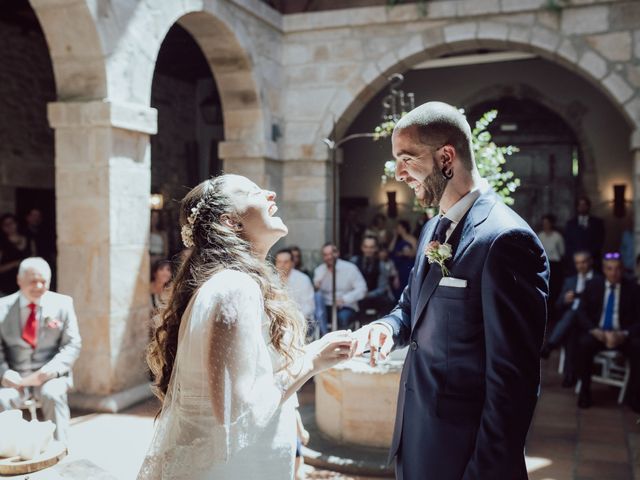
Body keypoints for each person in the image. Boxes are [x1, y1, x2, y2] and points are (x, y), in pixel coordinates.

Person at [354, 101, 549, 480]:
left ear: (446, 157)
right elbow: (411, 307)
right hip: (418, 438)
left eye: (407, 159)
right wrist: (387, 328)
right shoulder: (433, 229)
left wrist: (484, 471)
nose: (399, 173)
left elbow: (514, 382)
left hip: (464, 457)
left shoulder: (505, 240)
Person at [138, 174, 356, 480]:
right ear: (231, 222)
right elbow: (237, 411)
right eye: (253, 192)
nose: (270, 194)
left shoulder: (232, 283)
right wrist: (313, 359)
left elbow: (255, 378)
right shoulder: (233, 288)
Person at [0, 257, 82, 445]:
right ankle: (11, 453)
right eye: (32, 281)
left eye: (43, 281)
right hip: (15, 378)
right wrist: (5, 373)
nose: (38, 286)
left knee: (53, 393)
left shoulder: (63, 304)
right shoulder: (2, 308)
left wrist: (51, 370)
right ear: (19, 280)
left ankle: (60, 451)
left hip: (50, 376)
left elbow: (73, 344)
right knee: (3, 399)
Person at [575, 253, 640, 411]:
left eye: (618, 269)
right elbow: (580, 313)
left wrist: (623, 335)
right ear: (604, 270)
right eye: (610, 269)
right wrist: (594, 330)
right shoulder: (593, 285)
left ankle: (635, 396)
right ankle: (585, 392)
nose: (614, 273)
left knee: (638, 347)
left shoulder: (633, 289)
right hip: (599, 334)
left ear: (623, 270)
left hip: (621, 335)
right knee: (583, 344)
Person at [540, 251, 600, 387]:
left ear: (590, 262)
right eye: (577, 263)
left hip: (589, 321)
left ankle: (551, 345)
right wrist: (565, 300)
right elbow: (558, 305)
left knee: (574, 313)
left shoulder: (598, 280)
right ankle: (570, 375)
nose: (581, 266)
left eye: (583, 262)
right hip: (571, 324)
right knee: (571, 332)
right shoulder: (570, 280)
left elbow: (599, 307)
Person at [313, 243, 367, 331]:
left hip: (345, 305)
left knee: (343, 317)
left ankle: (342, 342)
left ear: (337, 253)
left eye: (331, 253)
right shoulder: (319, 270)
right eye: (326, 255)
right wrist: (318, 284)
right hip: (327, 307)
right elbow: (316, 293)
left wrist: (344, 299)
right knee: (317, 303)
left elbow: (362, 289)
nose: (329, 257)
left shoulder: (350, 268)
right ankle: (325, 336)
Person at [350, 235, 394, 317]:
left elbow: (382, 287)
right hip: (357, 296)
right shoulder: (354, 262)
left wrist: (368, 295)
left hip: (374, 296)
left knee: (386, 302)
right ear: (362, 248)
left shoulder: (381, 265)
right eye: (366, 247)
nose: (368, 250)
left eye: (371, 247)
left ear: (376, 248)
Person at [275, 248, 315, 332]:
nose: (282, 265)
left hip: (301, 322)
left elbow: (309, 306)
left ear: (292, 263)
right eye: (279, 262)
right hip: (277, 323)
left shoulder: (303, 279)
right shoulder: (271, 279)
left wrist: (294, 319)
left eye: (285, 262)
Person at [565, 196, 604, 272]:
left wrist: (588, 256)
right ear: (577, 207)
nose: (582, 207)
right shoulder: (570, 224)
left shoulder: (597, 223)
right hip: (575, 262)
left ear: (588, 206)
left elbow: (600, 241)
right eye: (580, 205)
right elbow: (568, 243)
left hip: (593, 261)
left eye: (584, 205)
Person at [0, 214, 37, 296]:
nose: (9, 226)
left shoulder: (29, 239)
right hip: (7, 287)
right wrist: (15, 263)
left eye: (11, 223)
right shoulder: (2, 244)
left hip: (27, 286)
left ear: (16, 223)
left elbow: (35, 260)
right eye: (5, 224)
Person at [537, 213, 565, 309]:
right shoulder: (540, 235)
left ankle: (554, 311)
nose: (545, 225)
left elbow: (562, 252)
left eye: (547, 223)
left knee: (554, 288)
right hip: (543, 265)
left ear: (551, 224)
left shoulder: (557, 236)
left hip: (555, 265)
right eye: (544, 223)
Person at [388, 220, 417, 299]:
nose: (397, 229)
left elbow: (415, 253)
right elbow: (390, 250)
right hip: (396, 267)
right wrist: (395, 236)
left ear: (404, 228)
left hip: (406, 265)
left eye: (398, 227)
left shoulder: (411, 239)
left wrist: (403, 254)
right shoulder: (397, 239)